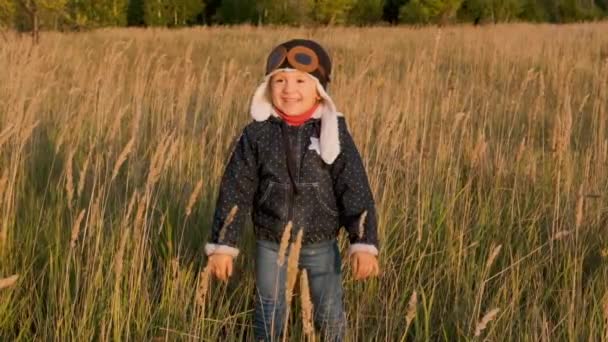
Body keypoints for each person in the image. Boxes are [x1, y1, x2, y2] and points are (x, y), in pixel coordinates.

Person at [204, 39, 380, 341]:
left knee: (328, 310)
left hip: (320, 243)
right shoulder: (257, 134)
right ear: (267, 87)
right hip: (271, 242)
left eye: (301, 80)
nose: (289, 89)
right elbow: (235, 189)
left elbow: (354, 186)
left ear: (319, 90)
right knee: (269, 308)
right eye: (280, 80)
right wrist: (223, 245)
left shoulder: (333, 133)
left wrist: (362, 242)